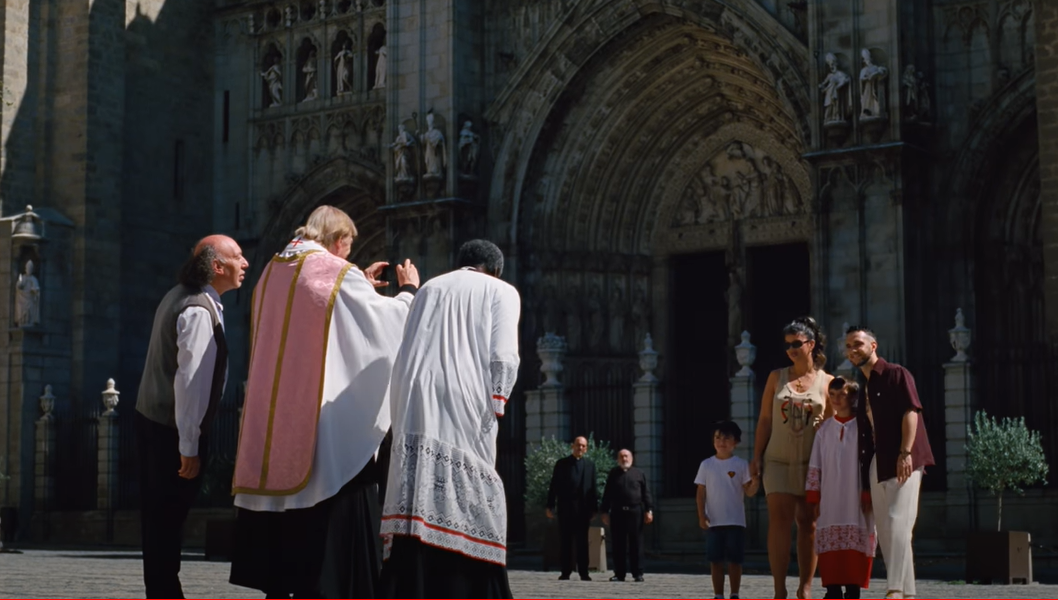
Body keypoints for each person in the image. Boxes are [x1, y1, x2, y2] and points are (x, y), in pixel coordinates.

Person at [230, 206, 420, 599]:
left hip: (275, 419)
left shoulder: (272, 271)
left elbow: (318, 319)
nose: (347, 259)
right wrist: (408, 294)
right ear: (336, 242)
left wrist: (359, 285)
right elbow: (382, 326)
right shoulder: (335, 272)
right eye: (347, 250)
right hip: (319, 426)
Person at [379, 239, 521, 598]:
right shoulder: (501, 291)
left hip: (413, 396)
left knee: (420, 492)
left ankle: (414, 583)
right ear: (495, 269)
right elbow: (504, 357)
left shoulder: (429, 287)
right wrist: (497, 403)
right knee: (474, 493)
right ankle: (471, 583)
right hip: (463, 395)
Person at [135, 235, 248, 599]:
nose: (245, 262)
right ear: (217, 267)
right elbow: (191, 382)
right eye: (238, 256)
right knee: (167, 521)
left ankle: (163, 590)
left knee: (159, 521)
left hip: (155, 422)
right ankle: (165, 592)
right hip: (171, 429)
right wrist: (189, 445)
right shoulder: (198, 309)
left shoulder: (180, 296)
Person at [846, 326, 935, 600]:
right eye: (848, 346)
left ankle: (894, 588)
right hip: (878, 460)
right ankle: (907, 592)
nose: (852, 350)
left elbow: (912, 411)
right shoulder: (864, 385)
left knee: (898, 522)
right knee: (885, 527)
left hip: (903, 457)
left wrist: (905, 452)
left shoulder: (896, 373)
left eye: (858, 344)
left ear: (873, 346)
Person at [750, 316, 832, 599]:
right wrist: (756, 457)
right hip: (778, 460)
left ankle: (805, 588)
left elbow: (836, 424)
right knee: (779, 519)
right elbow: (764, 420)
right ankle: (779, 589)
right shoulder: (776, 377)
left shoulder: (827, 382)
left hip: (812, 462)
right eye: (787, 346)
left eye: (796, 344)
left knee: (808, 523)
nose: (791, 350)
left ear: (811, 344)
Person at [806, 377, 876, 599]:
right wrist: (814, 497)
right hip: (831, 497)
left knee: (859, 535)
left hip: (856, 495)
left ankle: (853, 588)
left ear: (853, 396)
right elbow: (815, 463)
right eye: (832, 395)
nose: (837, 399)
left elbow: (870, 461)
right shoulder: (824, 430)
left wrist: (868, 491)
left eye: (842, 394)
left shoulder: (863, 428)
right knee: (829, 536)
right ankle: (832, 588)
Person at [695, 421, 760, 600]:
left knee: (735, 560)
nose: (721, 442)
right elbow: (700, 492)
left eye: (726, 438)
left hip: (736, 520)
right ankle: (718, 594)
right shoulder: (706, 465)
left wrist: (755, 482)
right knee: (715, 560)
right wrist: (701, 515)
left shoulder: (740, 464)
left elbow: (749, 491)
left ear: (735, 442)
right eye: (717, 438)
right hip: (714, 521)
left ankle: (734, 593)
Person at [546, 436, 599, 581]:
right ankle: (565, 571)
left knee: (583, 542)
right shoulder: (562, 464)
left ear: (586, 448)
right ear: (572, 446)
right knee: (565, 541)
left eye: (583, 446)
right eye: (578, 445)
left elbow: (593, 489)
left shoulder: (590, 465)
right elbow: (554, 486)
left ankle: (584, 572)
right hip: (566, 509)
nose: (580, 448)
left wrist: (594, 509)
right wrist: (550, 505)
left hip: (583, 510)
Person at [600, 449, 654, 583]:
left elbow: (645, 493)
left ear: (631, 458)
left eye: (626, 456)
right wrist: (604, 511)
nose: (624, 459)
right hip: (617, 513)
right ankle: (619, 574)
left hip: (635, 512)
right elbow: (607, 494)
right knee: (618, 544)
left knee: (637, 543)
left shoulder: (639, 474)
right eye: (621, 456)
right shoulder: (613, 474)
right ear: (618, 459)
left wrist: (649, 510)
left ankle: (638, 573)